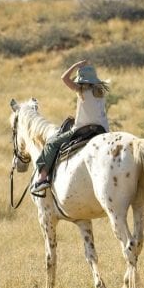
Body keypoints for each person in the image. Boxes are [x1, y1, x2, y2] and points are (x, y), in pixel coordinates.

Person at [31, 60, 110, 195]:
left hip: (82, 130)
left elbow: (64, 78)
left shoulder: (80, 90)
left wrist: (75, 65)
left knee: (51, 143)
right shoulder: (100, 92)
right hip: (102, 130)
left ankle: (42, 178)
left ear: (82, 81)